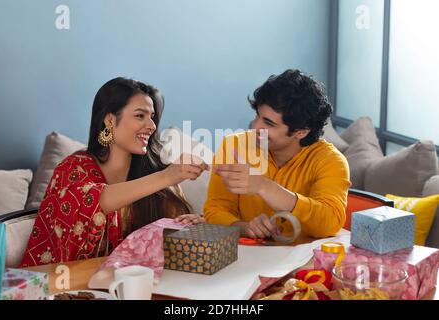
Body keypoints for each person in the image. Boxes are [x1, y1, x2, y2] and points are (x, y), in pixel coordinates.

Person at [21, 77, 208, 267]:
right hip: (72, 285)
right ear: (110, 120)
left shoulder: (155, 173)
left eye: (152, 117)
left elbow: (175, 235)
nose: (152, 125)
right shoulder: (73, 168)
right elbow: (91, 202)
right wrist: (168, 176)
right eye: (140, 115)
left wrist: (195, 223)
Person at [204, 69, 351, 241]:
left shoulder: (331, 161)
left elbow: (330, 222)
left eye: (269, 123)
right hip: (248, 259)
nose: (255, 127)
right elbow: (215, 210)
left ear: (301, 132)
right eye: (258, 116)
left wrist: (264, 187)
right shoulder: (235, 146)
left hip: (304, 263)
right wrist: (244, 228)